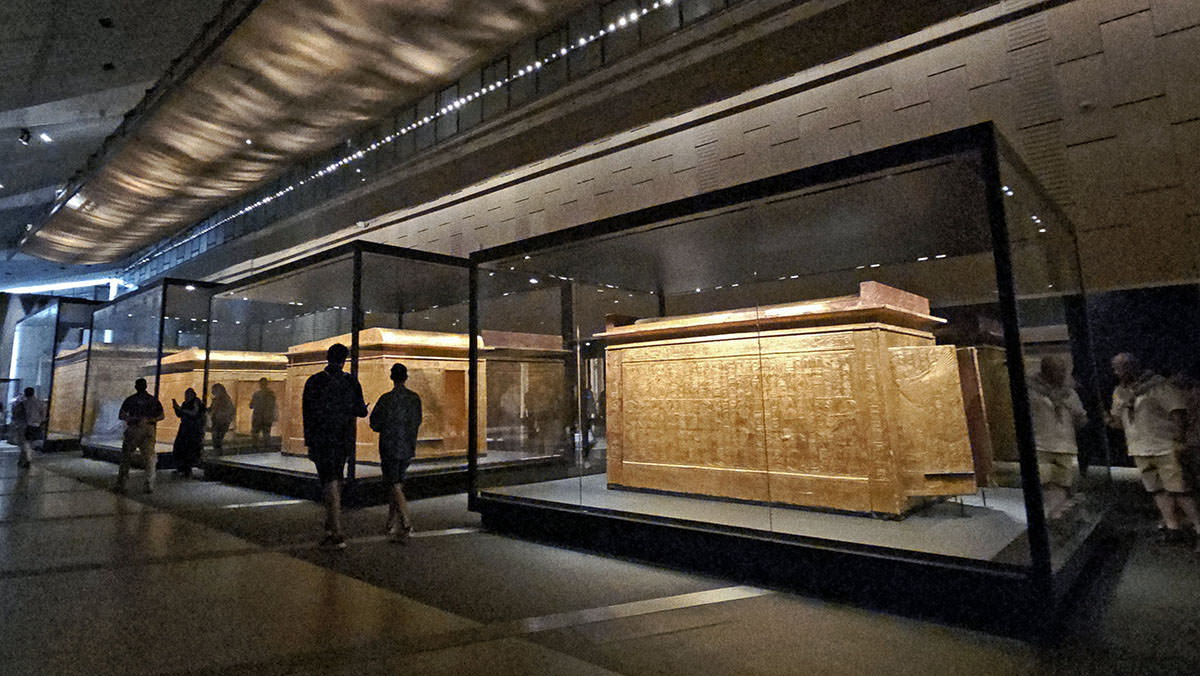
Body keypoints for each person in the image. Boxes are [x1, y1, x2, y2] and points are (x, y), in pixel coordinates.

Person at [1108, 353, 1199, 547]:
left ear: (1133, 366)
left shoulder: (1159, 386)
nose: (1118, 373)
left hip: (1164, 445)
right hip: (1140, 447)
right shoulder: (1119, 392)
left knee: (1180, 490)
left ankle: (1198, 527)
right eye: (1116, 368)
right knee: (1157, 490)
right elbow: (1117, 420)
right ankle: (1172, 527)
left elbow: (1177, 412)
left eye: (1122, 367)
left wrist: (1180, 439)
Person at [301, 344, 366, 550]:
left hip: (321, 439)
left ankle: (336, 531)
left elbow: (308, 414)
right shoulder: (350, 381)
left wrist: (309, 442)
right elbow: (361, 411)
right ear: (344, 360)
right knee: (336, 479)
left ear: (327, 358)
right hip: (343, 439)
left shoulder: (314, 381)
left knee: (328, 481)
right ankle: (331, 525)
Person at [1027, 356, 1087, 519]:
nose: (1061, 375)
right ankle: (1053, 515)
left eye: (1063, 371)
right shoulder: (1031, 391)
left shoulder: (1069, 394)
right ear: (1045, 371)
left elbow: (1080, 417)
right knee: (1046, 482)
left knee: (1064, 483)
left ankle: (1057, 516)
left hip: (1066, 445)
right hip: (1041, 445)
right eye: (1056, 371)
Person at [369, 363, 422, 543]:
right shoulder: (415, 399)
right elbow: (418, 421)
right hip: (408, 445)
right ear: (406, 377)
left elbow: (374, 423)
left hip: (389, 446)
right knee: (397, 482)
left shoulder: (385, 399)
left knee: (393, 483)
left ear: (392, 377)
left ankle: (406, 521)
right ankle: (391, 522)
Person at [114, 378, 164, 494]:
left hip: (133, 428)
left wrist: (133, 419)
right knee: (149, 458)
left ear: (136, 386)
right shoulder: (153, 400)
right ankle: (149, 484)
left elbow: (121, 415)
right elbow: (161, 415)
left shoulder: (131, 399)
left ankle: (122, 483)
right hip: (149, 429)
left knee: (126, 457)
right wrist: (150, 419)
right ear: (146, 386)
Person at [171, 388, 206, 478]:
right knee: (180, 448)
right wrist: (176, 408)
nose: (186, 396)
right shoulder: (185, 403)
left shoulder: (196, 401)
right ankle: (182, 468)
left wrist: (181, 410)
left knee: (190, 449)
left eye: (188, 394)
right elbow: (180, 415)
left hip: (193, 429)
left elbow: (194, 413)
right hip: (185, 428)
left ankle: (188, 469)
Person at [10, 387, 46, 470]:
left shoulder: (24, 403)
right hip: (36, 426)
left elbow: (16, 413)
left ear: (26, 393)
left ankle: (27, 459)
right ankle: (24, 458)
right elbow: (43, 415)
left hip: (26, 426)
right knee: (30, 443)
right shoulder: (39, 403)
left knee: (25, 443)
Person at [249, 378, 277, 450]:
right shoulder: (271, 394)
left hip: (257, 417)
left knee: (255, 434)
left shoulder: (257, 394)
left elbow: (251, 406)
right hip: (267, 417)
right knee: (266, 434)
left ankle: (255, 448)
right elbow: (273, 406)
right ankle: (266, 448)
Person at [209, 383, 235, 453]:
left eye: (214, 390)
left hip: (222, 421)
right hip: (217, 421)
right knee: (216, 439)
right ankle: (217, 452)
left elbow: (230, 410)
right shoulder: (216, 400)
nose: (212, 392)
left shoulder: (225, 399)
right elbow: (211, 409)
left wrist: (227, 419)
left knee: (218, 439)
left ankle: (218, 452)